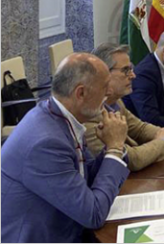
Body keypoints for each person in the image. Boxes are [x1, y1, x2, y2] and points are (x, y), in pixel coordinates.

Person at [1, 53, 130, 242]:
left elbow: (85, 180)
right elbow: (93, 215)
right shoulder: (45, 143)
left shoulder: (58, 116)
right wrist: (115, 149)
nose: (109, 93)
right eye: (104, 87)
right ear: (81, 93)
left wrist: (112, 147)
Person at [87, 43, 164, 171]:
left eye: (131, 68)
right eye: (126, 70)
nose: (133, 75)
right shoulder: (88, 114)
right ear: (103, 74)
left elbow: (139, 128)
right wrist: (162, 142)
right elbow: (130, 160)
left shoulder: (115, 102)